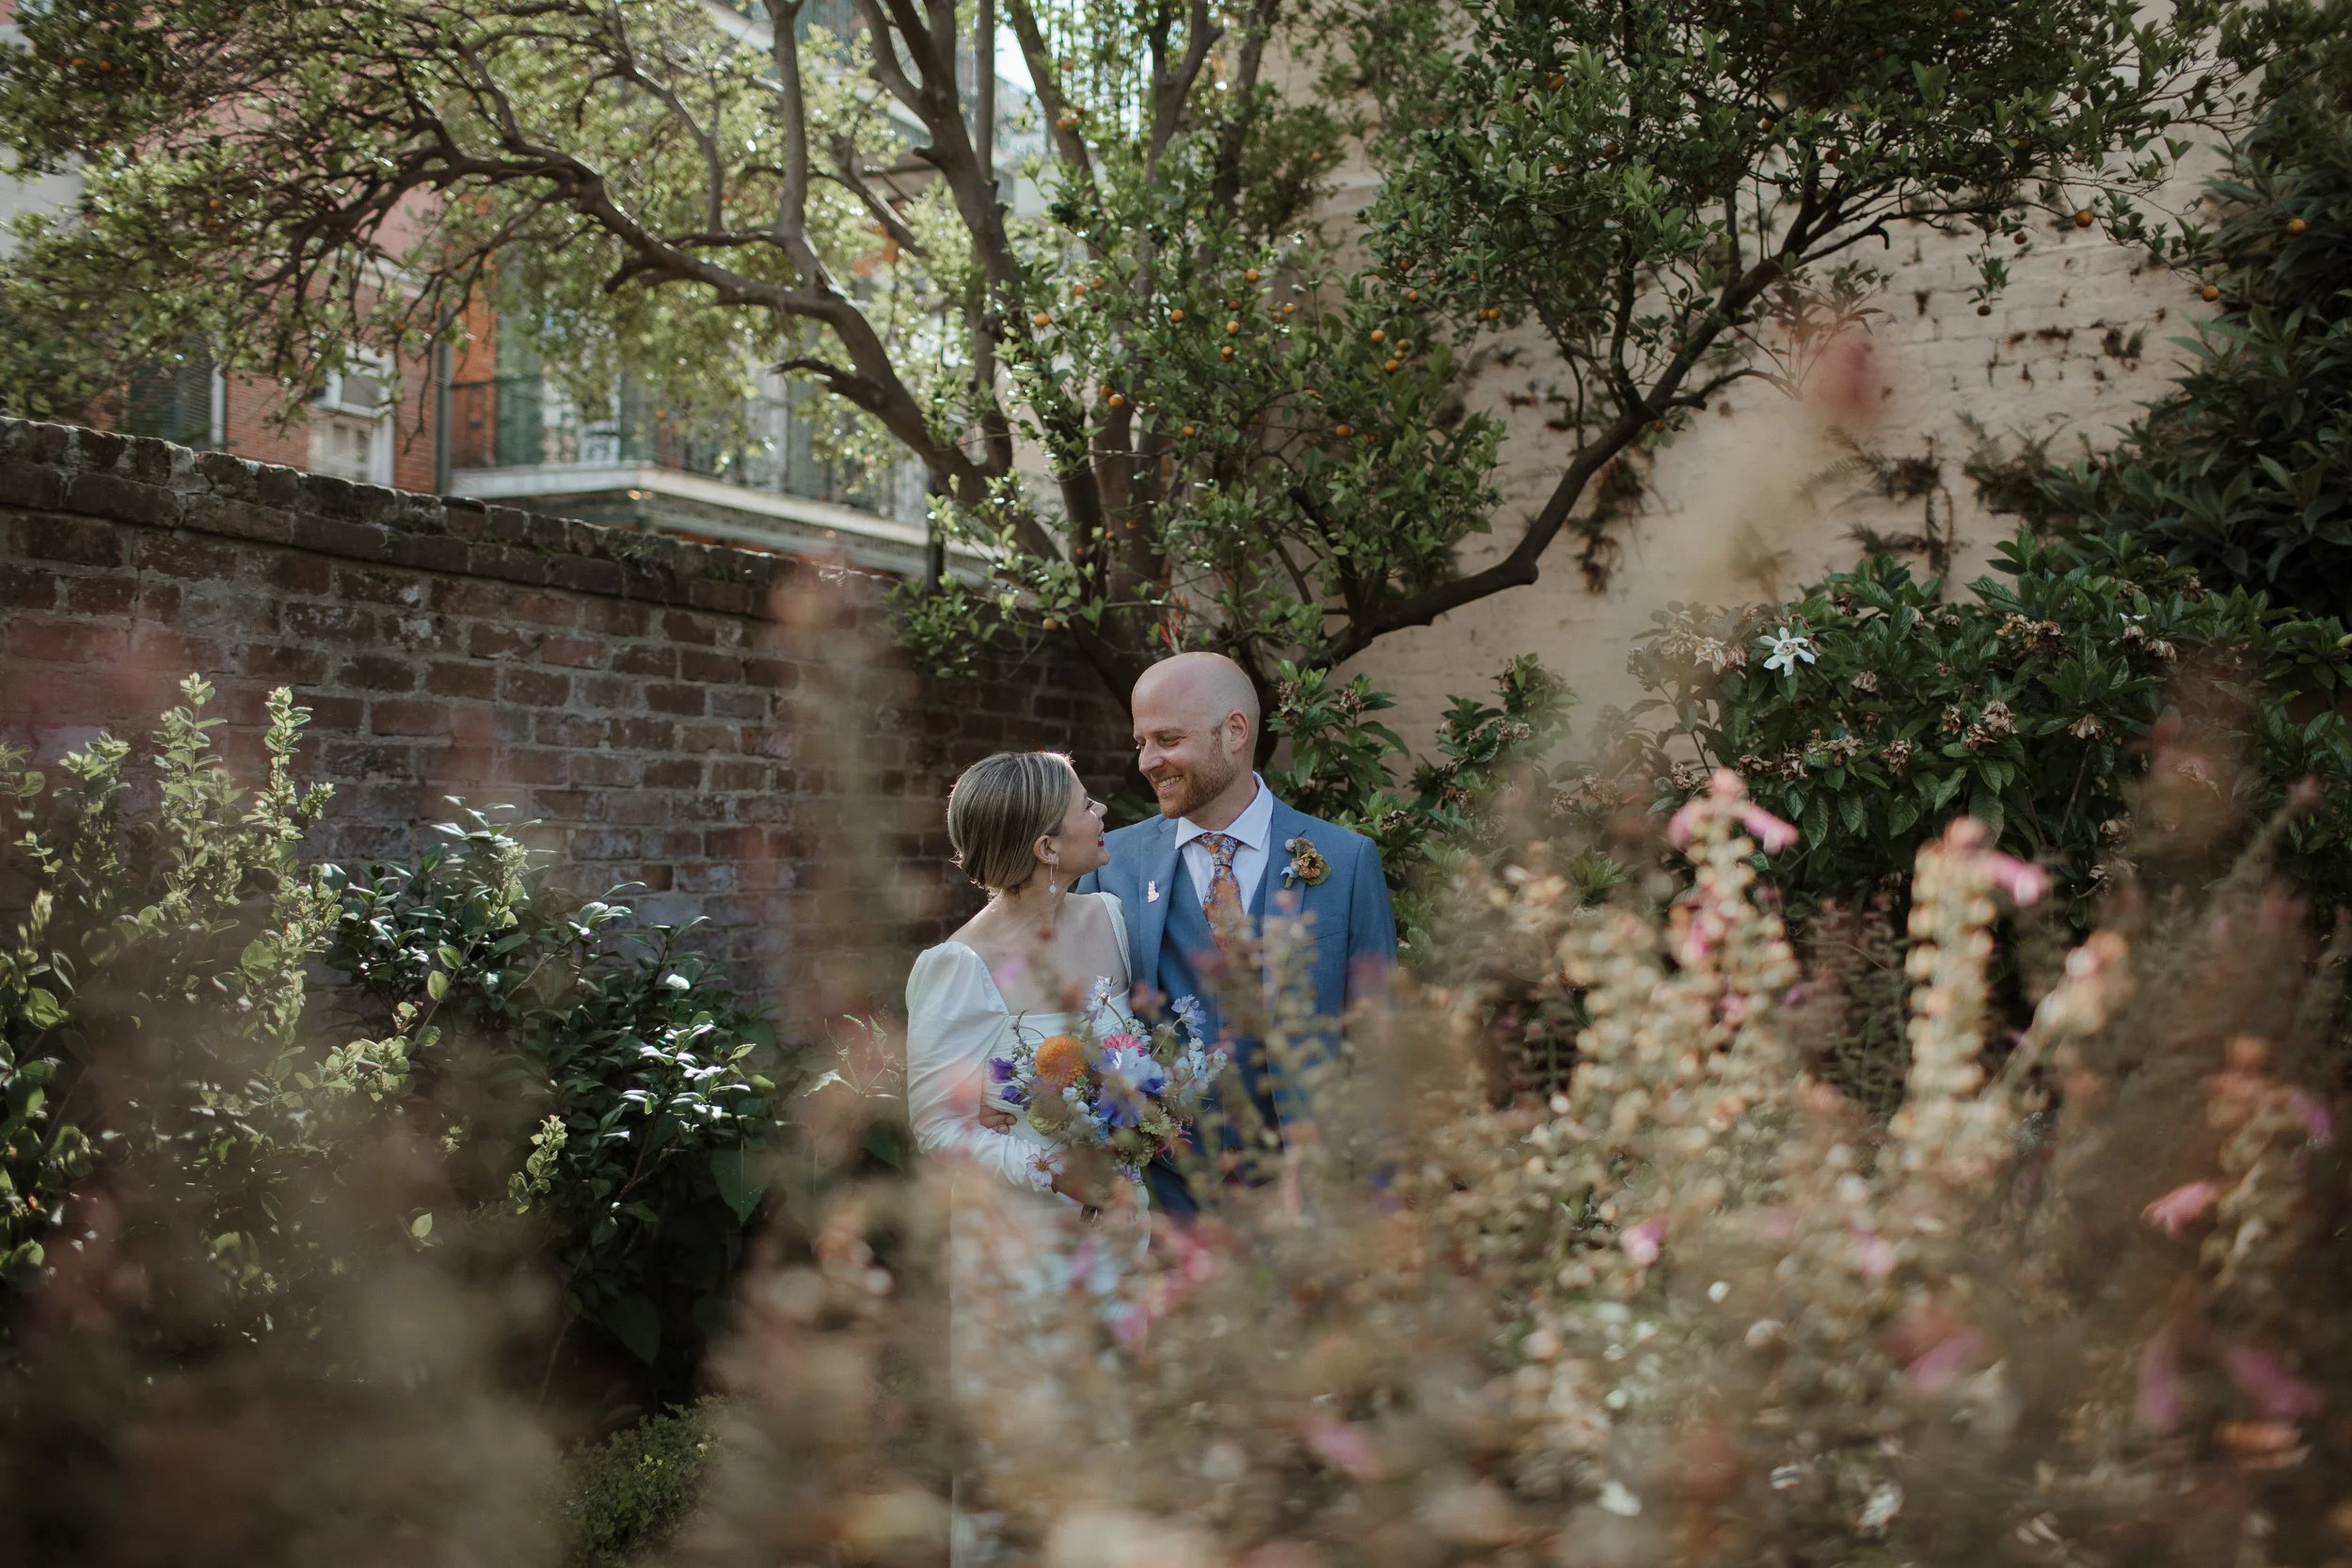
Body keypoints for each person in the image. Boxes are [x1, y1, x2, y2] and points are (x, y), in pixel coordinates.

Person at [902, 750, 1145, 1565]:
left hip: (1121, 1228)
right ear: (1045, 846)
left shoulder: (1110, 919)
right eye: (1086, 805)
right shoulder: (958, 966)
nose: (1102, 812)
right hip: (1022, 1244)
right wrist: (1050, 1168)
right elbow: (938, 1128)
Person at [1076, 651, 1398, 1218]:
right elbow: (1082, 1025)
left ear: (1234, 731)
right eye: (1141, 743)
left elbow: (1380, 1043)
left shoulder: (1345, 861)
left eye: (1168, 739)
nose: (1147, 761)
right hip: (1164, 1201)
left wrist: (1377, 1206)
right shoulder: (1113, 864)